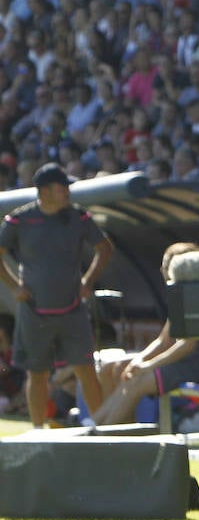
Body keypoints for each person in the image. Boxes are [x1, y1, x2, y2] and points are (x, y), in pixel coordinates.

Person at [0, 162, 113, 428]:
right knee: (36, 374)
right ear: (45, 191)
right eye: (62, 187)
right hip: (34, 310)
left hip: (73, 309)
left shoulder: (78, 217)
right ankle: (38, 431)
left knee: (86, 370)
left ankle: (101, 429)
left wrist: (88, 281)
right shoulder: (19, 220)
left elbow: (105, 248)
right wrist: (15, 286)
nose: (67, 192)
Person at [91, 242, 199, 426]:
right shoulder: (179, 294)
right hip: (185, 362)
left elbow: (188, 345)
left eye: (168, 265)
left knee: (138, 381)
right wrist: (138, 361)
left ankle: (100, 430)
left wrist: (148, 366)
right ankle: (102, 426)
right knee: (114, 368)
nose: (164, 270)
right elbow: (164, 340)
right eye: (164, 265)